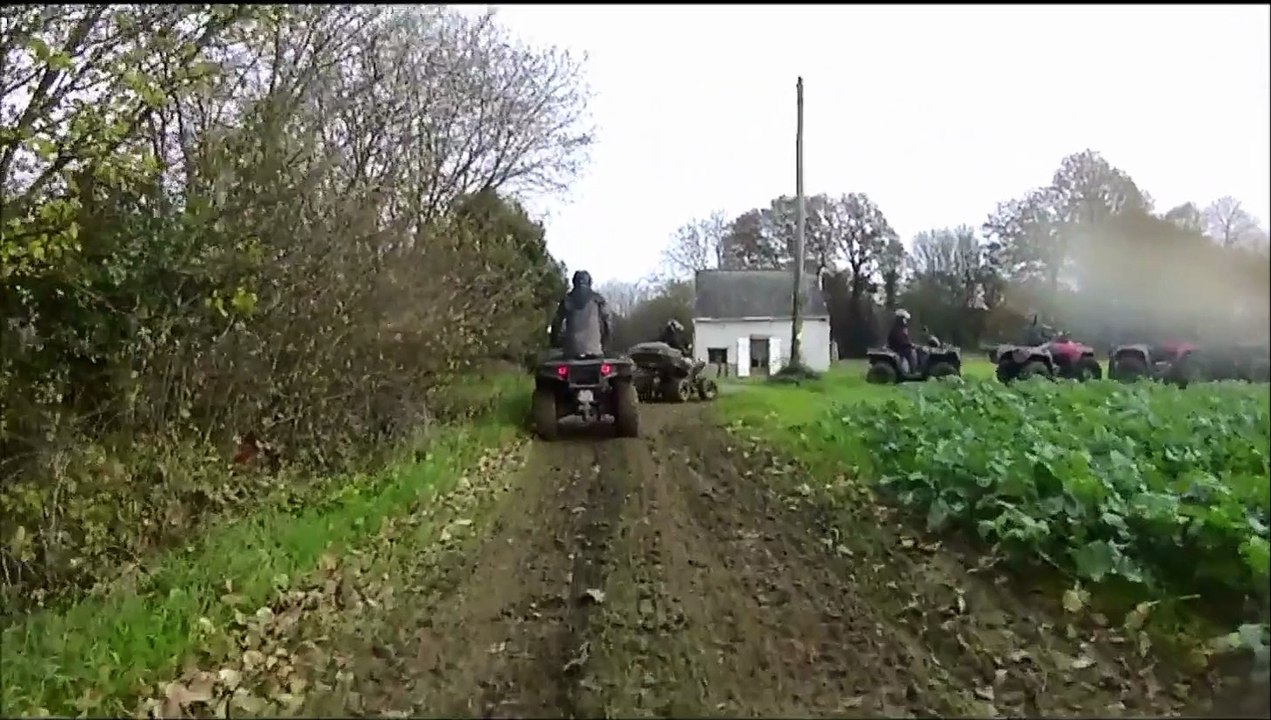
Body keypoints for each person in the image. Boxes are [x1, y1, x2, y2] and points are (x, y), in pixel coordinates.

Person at [550, 270, 613, 357]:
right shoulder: (597, 300)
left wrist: (555, 342)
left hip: (571, 351)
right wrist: (606, 343)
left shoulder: (567, 299)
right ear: (590, 282)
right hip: (594, 350)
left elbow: (556, 323)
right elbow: (607, 322)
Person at [887, 308, 918, 374]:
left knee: (915, 350)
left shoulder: (901, 328)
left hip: (901, 348)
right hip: (899, 349)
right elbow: (901, 341)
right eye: (905, 319)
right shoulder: (898, 329)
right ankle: (913, 371)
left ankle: (914, 370)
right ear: (901, 319)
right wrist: (910, 344)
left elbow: (905, 339)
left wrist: (910, 344)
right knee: (913, 353)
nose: (906, 321)